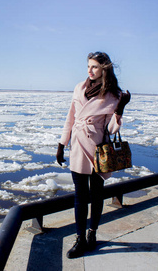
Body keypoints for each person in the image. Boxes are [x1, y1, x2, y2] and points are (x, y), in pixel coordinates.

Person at [56, 51, 131, 259]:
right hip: (78, 147)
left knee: (96, 195)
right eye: (88, 66)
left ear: (104, 69)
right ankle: (80, 239)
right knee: (80, 196)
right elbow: (70, 118)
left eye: (94, 67)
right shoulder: (79, 88)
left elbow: (112, 129)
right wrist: (62, 144)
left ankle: (92, 234)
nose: (89, 71)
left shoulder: (113, 94)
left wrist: (120, 109)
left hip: (98, 150)